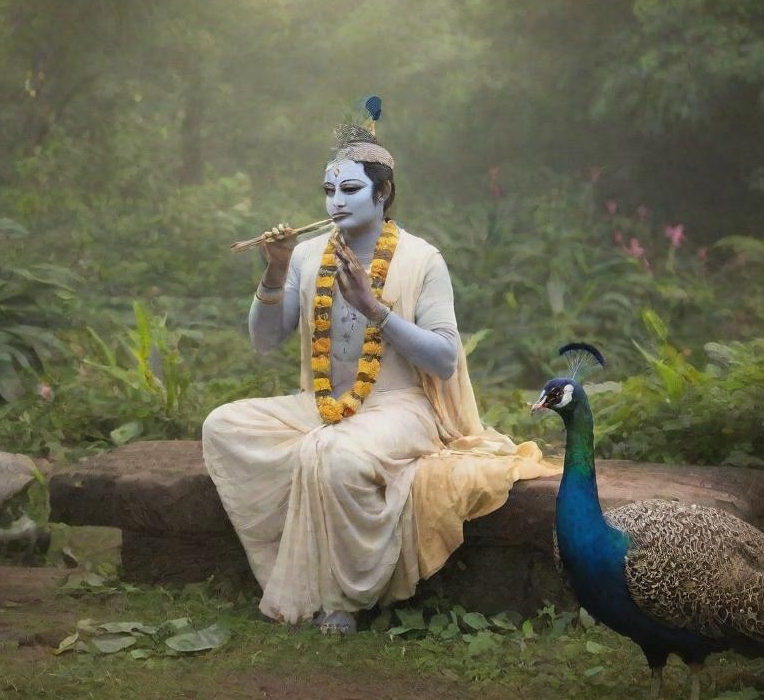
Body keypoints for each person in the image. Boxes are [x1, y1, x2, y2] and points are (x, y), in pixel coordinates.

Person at [203, 124, 555, 634]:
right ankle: (292, 569)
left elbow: (444, 360)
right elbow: (263, 342)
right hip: (321, 403)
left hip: (400, 407)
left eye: (350, 190)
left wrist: (374, 308)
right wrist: (276, 273)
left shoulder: (421, 259)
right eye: (329, 191)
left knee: (336, 455)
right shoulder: (306, 254)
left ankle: (345, 596)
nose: (336, 203)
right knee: (222, 426)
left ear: (383, 192)